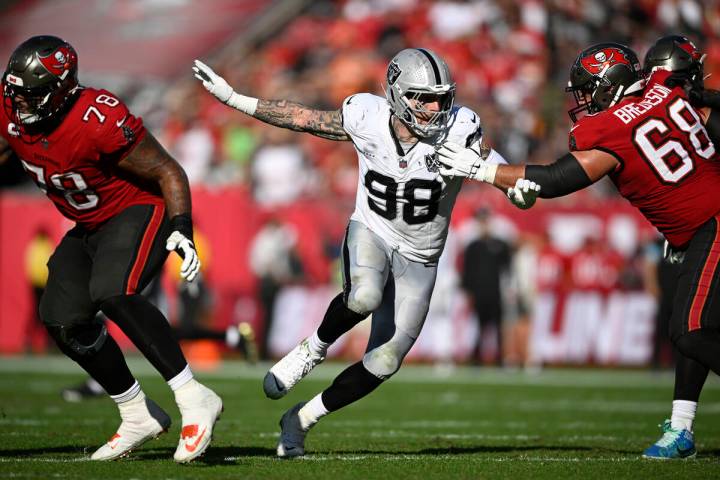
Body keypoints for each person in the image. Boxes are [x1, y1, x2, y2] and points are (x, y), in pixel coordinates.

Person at [193, 48, 535, 457]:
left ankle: (301, 418)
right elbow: (304, 118)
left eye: (441, 98)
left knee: (386, 360)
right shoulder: (366, 116)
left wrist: (513, 187)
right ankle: (312, 350)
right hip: (372, 229)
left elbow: (490, 162)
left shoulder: (459, 128)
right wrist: (236, 99)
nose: (435, 107)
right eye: (423, 97)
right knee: (364, 296)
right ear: (395, 95)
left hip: (420, 255)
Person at [434, 38, 720, 460]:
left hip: (711, 225)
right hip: (695, 231)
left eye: (589, 88)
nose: (585, 99)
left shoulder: (611, 127)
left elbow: (557, 179)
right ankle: (680, 430)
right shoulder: (668, 89)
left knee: (690, 331)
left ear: (611, 85)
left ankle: (681, 431)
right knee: (689, 331)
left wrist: (484, 169)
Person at [0, 35, 221, 463]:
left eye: (32, 94)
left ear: (60, 90)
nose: (21, 103)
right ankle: (137, 413)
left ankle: (195, 397)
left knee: (113, 290)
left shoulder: (96, 116)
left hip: (136, 210)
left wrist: (181, 228)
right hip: (89, 224)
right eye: (16, 93)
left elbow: (168, 171)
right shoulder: (12, 109)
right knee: (61, 317)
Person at [460, 207, 512, 366]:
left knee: (498, 326)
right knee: (479, 325)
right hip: (479, 293)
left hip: (496, 292)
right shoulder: (473, 246)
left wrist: (509, 289)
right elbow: (467, 272)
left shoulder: (501, 244)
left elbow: (508, 269)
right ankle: (476, 356)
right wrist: (468, 293)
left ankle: (500, 357)